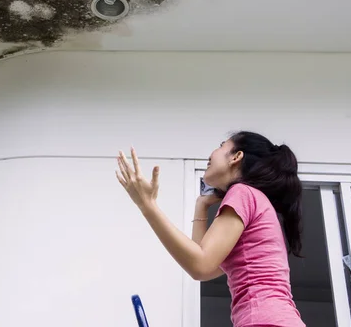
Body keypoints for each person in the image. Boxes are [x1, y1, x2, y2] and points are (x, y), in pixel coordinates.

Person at [115, 131, 306, 327]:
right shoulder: (255, 199)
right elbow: (201, 267)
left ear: (236, 156)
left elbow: (200, 263)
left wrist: (148, 206)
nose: (212, 153)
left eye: (222, 145)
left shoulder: (243, 193)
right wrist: (201, 205)